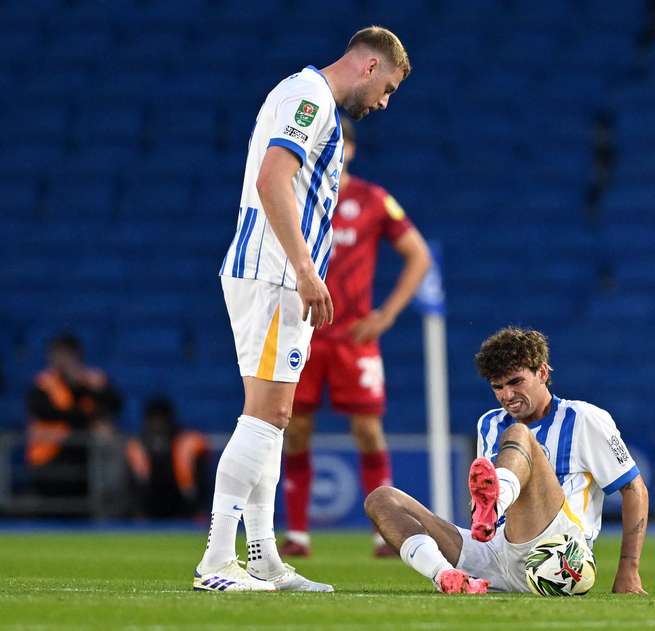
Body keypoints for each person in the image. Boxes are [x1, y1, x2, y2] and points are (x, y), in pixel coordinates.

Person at [195, 26, 410, 593]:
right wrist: (306, 270)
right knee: (265, 417)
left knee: (276, 418)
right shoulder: (311, 100)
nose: (384, 102)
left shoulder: (299, 94)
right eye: (386, 88)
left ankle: (264, 556)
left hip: (271, 273)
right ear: (368, 67)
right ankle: (217, 560)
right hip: (273, 274)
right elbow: (273, 180)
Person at [365, 327, 649, 594]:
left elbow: (633, 488)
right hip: (495, 551)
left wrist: (629, 568)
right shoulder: (488, 424)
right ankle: (446, 576)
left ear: (542, 372)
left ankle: (493, 505)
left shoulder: (584, 419)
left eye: (515, 382)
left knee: (519, 434)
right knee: (382, 499)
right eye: (497, 387)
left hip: (555, 555)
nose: (507, 395)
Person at [280, 117, 431, 559]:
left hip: (353, 337)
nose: (335, 152)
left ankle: (385, 533)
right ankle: (298, 536)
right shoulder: (299, 197)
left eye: (340, 144)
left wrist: (385, 315)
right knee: (297, 429)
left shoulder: (374, 199)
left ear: (351, 149)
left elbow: (418, 255)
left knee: (367, 430)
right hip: (305, 328)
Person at [26, 333, 122, 503]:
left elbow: (115, 405)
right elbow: (45, 412)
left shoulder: (93, 381)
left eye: (66, 355)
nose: (61, 361)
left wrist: (90, 388)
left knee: (108, 436)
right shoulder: (44, 383)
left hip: (87, 453)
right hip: (51, 454)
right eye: (57, 355)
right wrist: (85, 415)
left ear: (77, 356)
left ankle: (109, 503)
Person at [126, 397, 210, 519]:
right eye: (154, 419)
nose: (158, 424)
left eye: (161, 419)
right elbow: (133, 485)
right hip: (149, 504)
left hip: (183, 504)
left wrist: (197, 507)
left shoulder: (187, 442)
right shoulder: (137, 446)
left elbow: (202, 481)